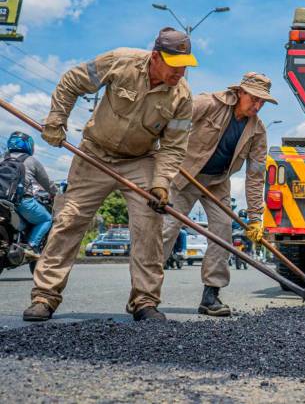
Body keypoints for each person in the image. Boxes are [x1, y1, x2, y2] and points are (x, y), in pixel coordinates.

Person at [22, 27, 196, 322]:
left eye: (185, 66)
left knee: (149, 225)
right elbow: (72, 81)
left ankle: (144, 301)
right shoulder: (120, 60)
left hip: (140, 160)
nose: (180, 73)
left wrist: (160, 184)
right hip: (95, 153)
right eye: (174, 65)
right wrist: (57, 118)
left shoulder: (182, 97)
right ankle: (44, 296)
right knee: (69, 220)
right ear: (155, 57)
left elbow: (173, 148)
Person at [161, 72, 273, 316]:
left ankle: (211, 296)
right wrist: (162, 159)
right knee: (166, 230)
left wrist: (255, 218)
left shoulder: (258, 132)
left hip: (217, 181)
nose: (257, 105)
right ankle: (145, 292)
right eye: (254, 99)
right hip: (185, 175)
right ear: (240, 92)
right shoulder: (208, 103)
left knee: (222, 231)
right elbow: (172, 121)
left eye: (262, 102)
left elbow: (255, 176)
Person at [5, 131, 55, 256]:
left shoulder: (2, 158)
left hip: (3, 200)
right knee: (46, 219)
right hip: (21, 201)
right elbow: (47, 184)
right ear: (28, 145)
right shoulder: (31, 161)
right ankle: (31, 246)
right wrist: (57, 193)